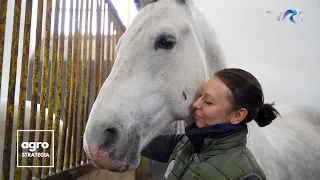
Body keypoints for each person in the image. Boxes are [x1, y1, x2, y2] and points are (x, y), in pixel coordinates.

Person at [141, 68, 280, 180]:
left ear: (237, 115)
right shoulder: (187, 143)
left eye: (208, 102)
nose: (195, 104)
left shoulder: (245, 176)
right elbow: (146, 144)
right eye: (201, 96)